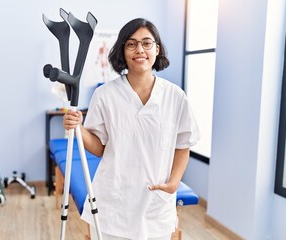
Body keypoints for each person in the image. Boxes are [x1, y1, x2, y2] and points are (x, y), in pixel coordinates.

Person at [63, 18, 200, 240]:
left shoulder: (175, 97)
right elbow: (99, 148)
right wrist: (78, 127)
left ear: (157, 48)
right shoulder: (105, 95)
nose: (140, 50)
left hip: (155, 204)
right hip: (114, 204)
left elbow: (183, 145)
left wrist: (174, 183)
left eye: (147, 43)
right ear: (123, 51)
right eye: (131, 44)